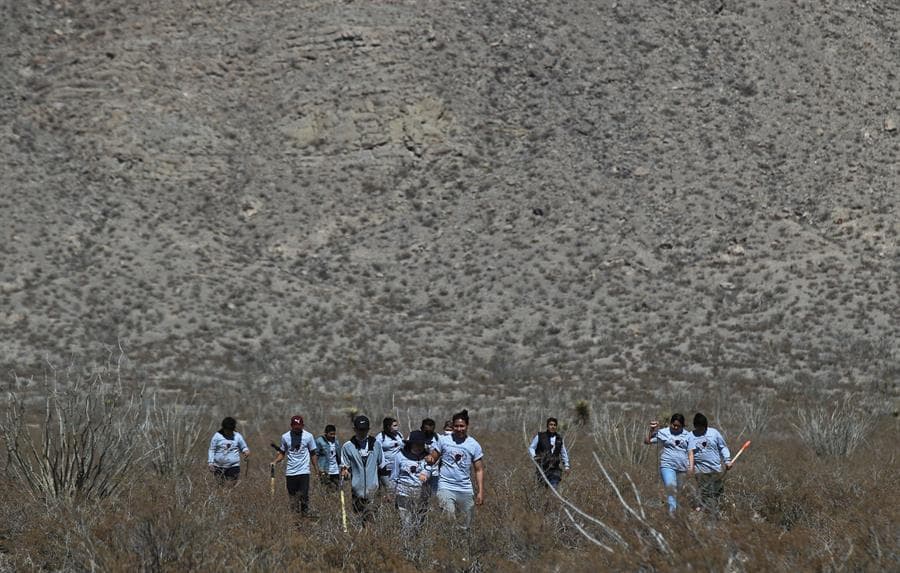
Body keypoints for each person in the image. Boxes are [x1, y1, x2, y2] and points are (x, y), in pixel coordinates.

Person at [426, 409, 485, 530]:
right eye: (456, 426)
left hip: (464, 488)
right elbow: (434, 457)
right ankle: (448, 542)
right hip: (445, 485)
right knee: (448, 517)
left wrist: (480, 491)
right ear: (452, 426)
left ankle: (461, 544)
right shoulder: (444, 441)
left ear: (467, 426)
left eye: (462, 426)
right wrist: (429, 458)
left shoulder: (473, 445)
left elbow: (478, 470)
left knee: (466, 524)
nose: (459, 429)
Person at [340, 415, 385, 523]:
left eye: (364, 430)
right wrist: (345, 473)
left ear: (368, 429)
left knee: (371, 519)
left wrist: (387, 489)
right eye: (360, 430)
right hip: (357, 491)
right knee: (359, 519)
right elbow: (344, 466)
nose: (362, 432)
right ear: (354, 429)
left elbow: (382, 466)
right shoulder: (347, 447)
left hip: (373, 490)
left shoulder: (376, 445)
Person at [271, 415, 319, 517]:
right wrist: (275, 461)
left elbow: (313, 453)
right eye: (295, 427)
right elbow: (282, 453)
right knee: (293, 498)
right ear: (291, 426)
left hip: (304, 472)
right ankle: (295, 520)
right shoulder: (285, 437)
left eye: (299, 427)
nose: (297, 429)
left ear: (303, 426)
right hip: (291, 472)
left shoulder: (308, 436)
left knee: (304, 496)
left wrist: (316, 470)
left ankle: (304, 517)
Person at [643, 413, 689, 515]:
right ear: (670, 423)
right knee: (671, 490)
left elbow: (692, 451)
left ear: (683, 425)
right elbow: (647, 441)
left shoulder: (688, 435)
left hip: (682, 468)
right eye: (674, 425)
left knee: (678, 493)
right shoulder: (664, 432)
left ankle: (678, 515)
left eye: (678, 426)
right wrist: (651, 430)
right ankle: (671, 516)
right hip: (667, 466)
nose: (676, 427)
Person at [687, 413, 732, 514]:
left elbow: (723, 447)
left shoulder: (714, 433)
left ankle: (705, 510)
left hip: (715, 469)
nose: (701, 430)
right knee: (706, 494)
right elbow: (689, 453)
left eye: (703, 428)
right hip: (700, 471)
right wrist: (689, 466)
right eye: (698, 428)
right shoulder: (690, 436)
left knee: (717, 493)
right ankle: (712, 516)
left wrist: (727, 460)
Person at [391, 430, 433, 530]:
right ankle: (406, 543)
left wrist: (425, 473)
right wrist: (391, 492)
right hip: (403, 493)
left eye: (421, 444)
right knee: (406, 524)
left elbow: (429, 469)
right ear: (411, 444)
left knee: (419, 523)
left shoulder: (427, 457)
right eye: (416, 444)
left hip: (421, 494)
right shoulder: (399, 456)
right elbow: (394, 476)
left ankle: (416, 542)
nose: (419, 447)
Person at [529, 417, 570, 489]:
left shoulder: (559, 439)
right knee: (542, 490)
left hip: (555, 469)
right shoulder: (540, 436)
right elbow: (531, 447)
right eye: (551, 424)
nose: (553, 426)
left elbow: (564, 453)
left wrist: (566, 466)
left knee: (553, 488)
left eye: (554, 425)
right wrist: (534, 456)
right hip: (542, 468)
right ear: (547, 426)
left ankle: (553, 498)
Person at [207, 416, 250, 483]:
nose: (229, 432)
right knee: (220, 486)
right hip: (219, 467)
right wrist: (210, 463)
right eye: (227, 430)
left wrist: (245, 451)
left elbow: (243, 446)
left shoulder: (237, 436)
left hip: (233, 466)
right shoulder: (217, 436)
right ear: (223, 428)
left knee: (232, 485)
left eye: (230, 431)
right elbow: (212, 449)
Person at [375, 417, 404, 491]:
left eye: (397, 425)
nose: (397, 427)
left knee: (397, 489)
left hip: (398, 468)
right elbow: (376, 452)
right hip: (385, 469)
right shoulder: (380, 437)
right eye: (394, 425)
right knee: (389, 489)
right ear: (388, 426)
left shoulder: (399, 435)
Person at [316, 424, 342, 490]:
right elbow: (316, 455)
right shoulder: (319, 441)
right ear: (326, 433)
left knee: (336, 490)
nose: (333, 436)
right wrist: (319, 469)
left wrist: (341, 466)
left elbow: (339, 455)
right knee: (326, 490)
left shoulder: (336, 441)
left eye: (334, 434)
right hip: (325, 470)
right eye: (331, 434)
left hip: (335, 470)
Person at [420, 418, 440, 493]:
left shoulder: (438, 438)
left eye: (430, 431)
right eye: (426, 430)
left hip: (435, 471)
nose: (428, 433)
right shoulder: (415, 437)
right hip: (419, 470)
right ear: (422, 428)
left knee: (434, 492)